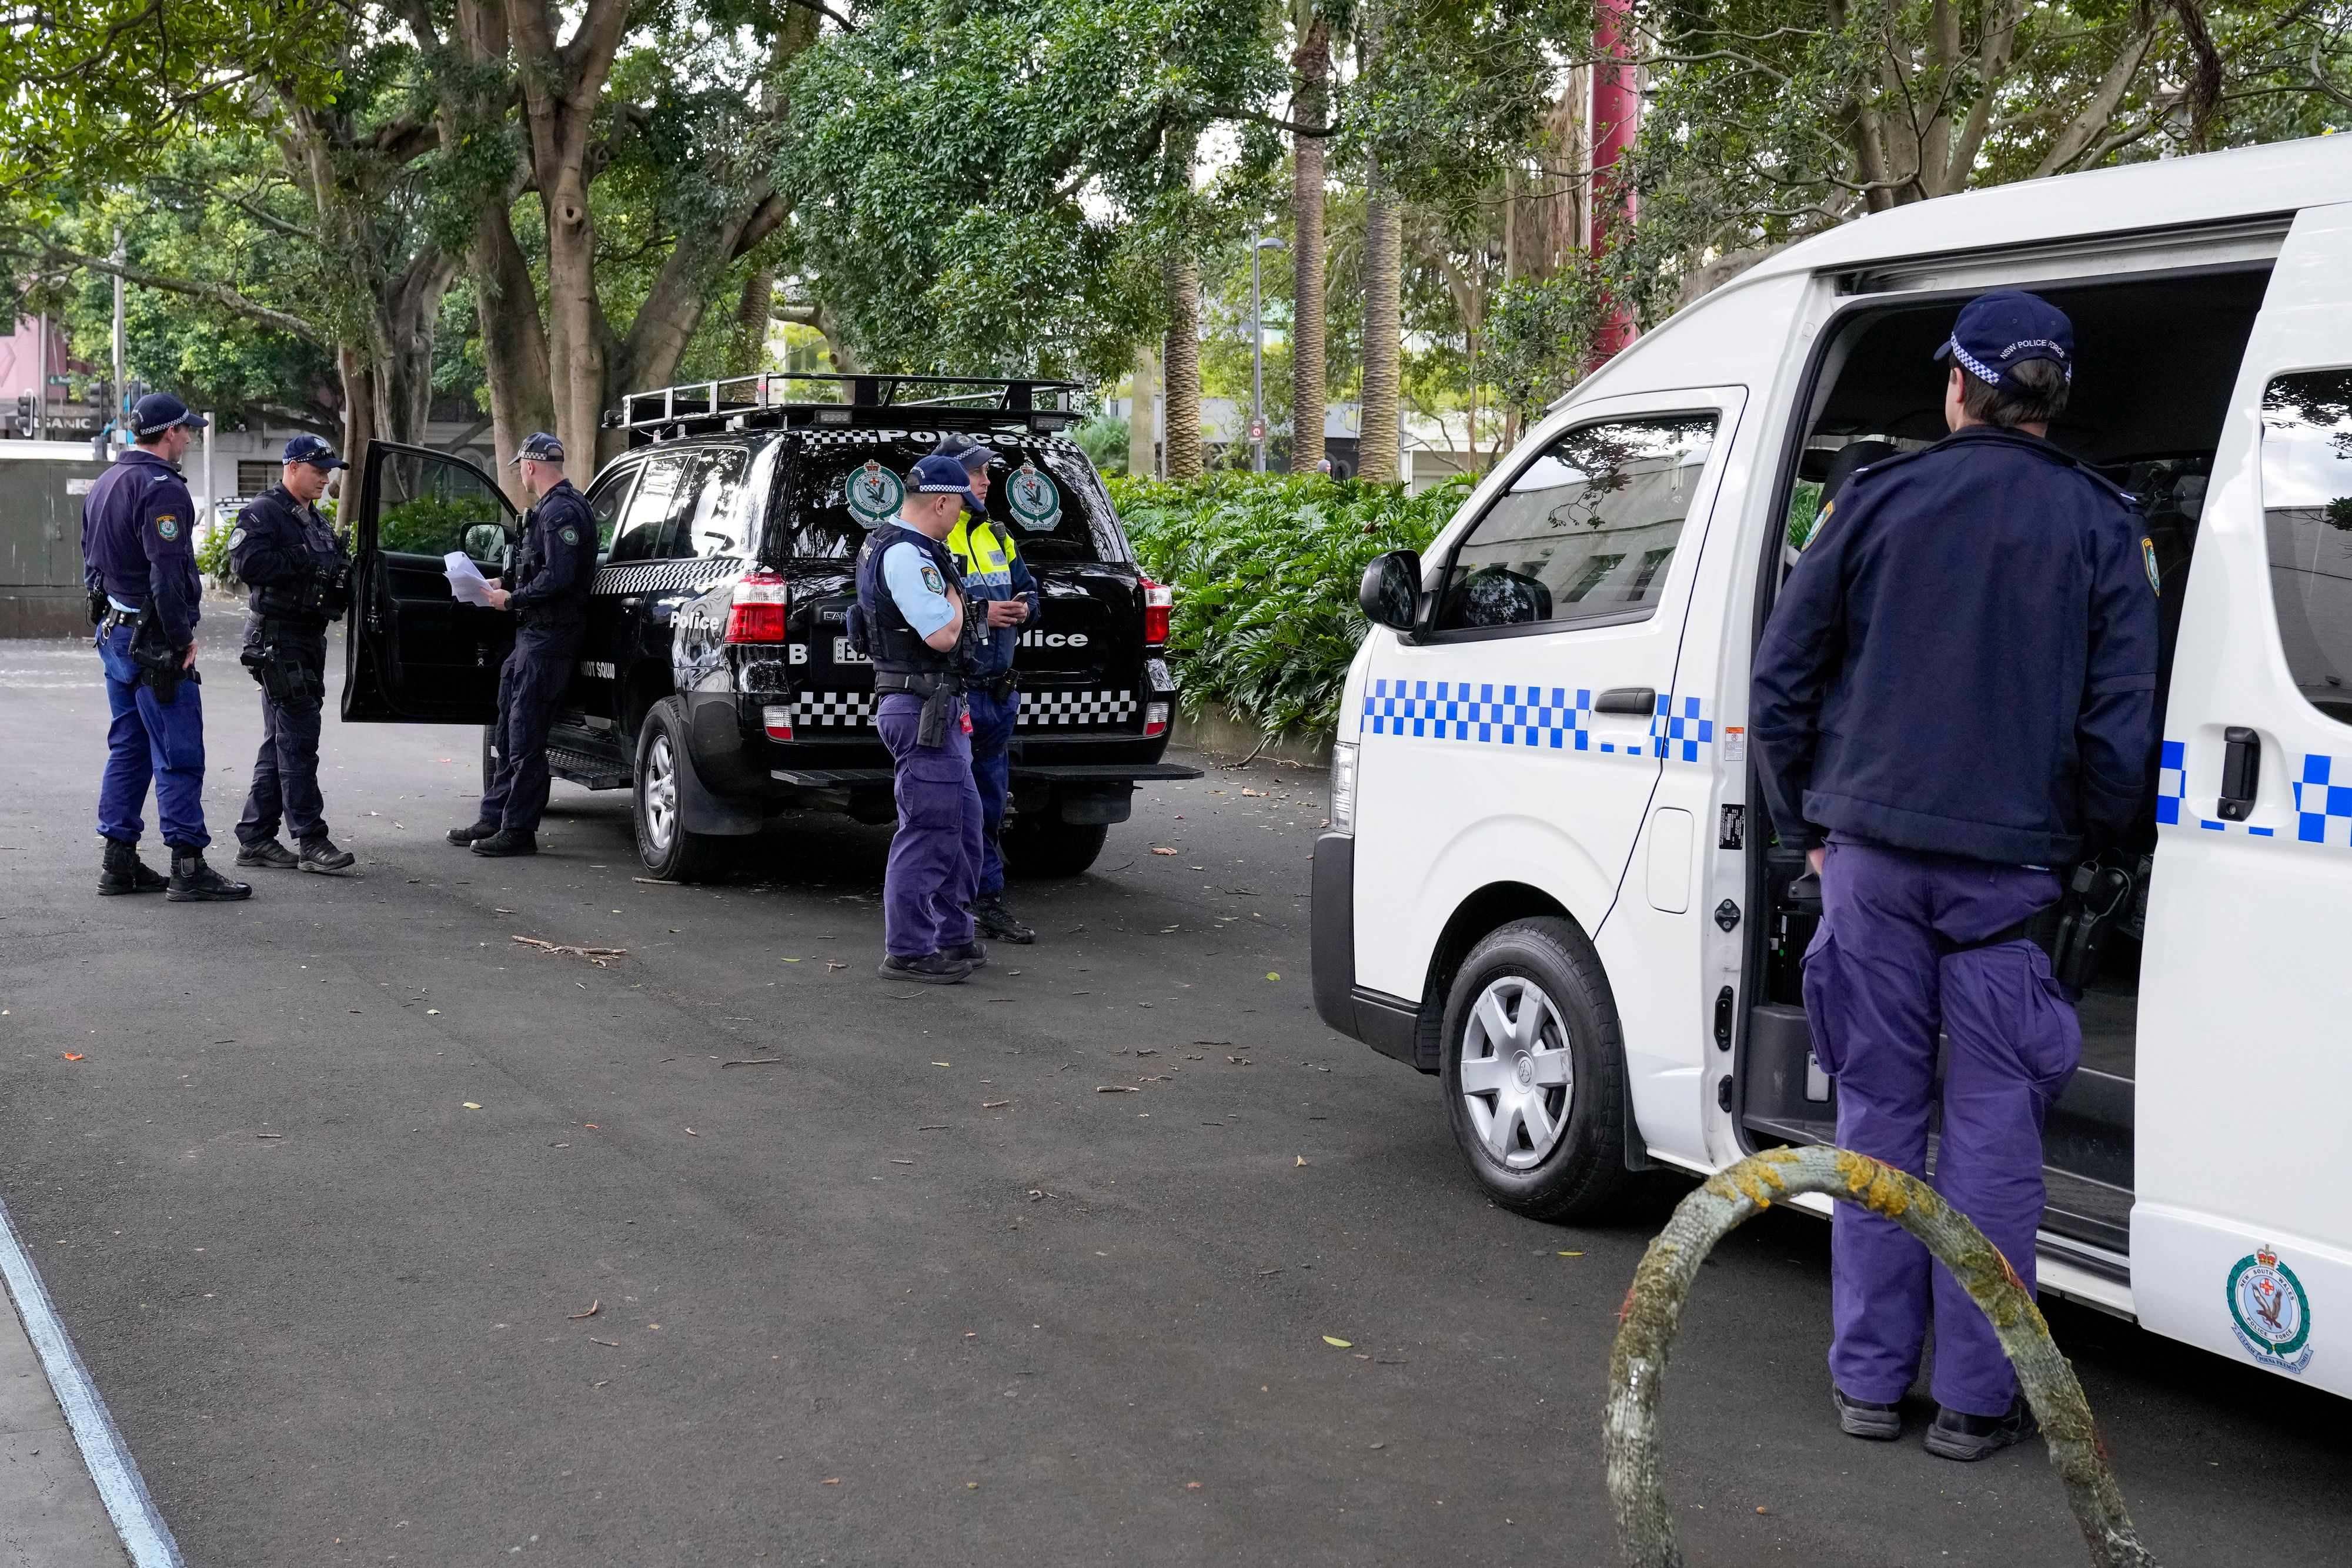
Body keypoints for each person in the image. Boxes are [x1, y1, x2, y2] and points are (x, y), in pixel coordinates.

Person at [1751, 290, 2158, 1461]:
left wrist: (1810, 833)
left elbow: (1780, 684)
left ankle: (1869, 1385)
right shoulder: (2098, 525)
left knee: (1876, 1115)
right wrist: (2082, 849)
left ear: (1955, 386)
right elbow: (2116, 729)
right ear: (2051, 398)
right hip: (2012, 878)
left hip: (1868, 864)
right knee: (1990, 1133)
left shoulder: (1874, 503)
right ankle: (1975, 1404)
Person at [81, 394, 250, 902]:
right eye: (187, 431)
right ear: (169, 433)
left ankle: (119, 860)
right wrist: (182, 639)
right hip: (153, 642)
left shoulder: (106, 482)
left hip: (116, 631)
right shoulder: (161, 488)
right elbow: (168, 575)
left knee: (129, 747)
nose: (192, 439)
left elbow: (91, 562)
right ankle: (188, 863)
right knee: (178, 752)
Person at [856, 453, 987, 983]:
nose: (962, 517)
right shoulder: (908, 555)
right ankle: (908, 949)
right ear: (940, 501)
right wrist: (957, 595)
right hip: (920, 705)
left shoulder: (905, 545)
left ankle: (952, 936)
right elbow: (943, 635)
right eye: (960, 507)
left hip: (937, 705)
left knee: (965, 825)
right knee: (930, 829)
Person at [446, 432, 596, 858]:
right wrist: (500, 583)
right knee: (510, 733)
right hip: (533, 636)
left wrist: (512, 599)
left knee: (526, 737)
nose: (521, 476)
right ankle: (494, 817)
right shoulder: (552, 508)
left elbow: (560, 578)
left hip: (549, 638)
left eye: (520, 469)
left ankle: (518, 830)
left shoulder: (561, 511)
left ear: (530, 467)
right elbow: (541, 570)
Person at [229, 434, 356, 874]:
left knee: (280, 740)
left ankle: (257, 837)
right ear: (292, 467)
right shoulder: (266, 512)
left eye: (328, 470)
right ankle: (311, 839)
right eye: (318, 469)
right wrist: (302, 558)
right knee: (298, 739)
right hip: (278, 639)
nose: (326, 477)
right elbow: (245, 564)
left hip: (306, 637)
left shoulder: (313, 519)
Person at [935, 434, 1038, 944]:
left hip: (997, 695)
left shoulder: (997, 533)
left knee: (990, 806)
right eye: (978, 472)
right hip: (956, 694)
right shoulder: (933, 535)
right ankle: (949, 912)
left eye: (987, 472)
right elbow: (919, 612)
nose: (987, 480)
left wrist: (1023, 607)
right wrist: (983, 613)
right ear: (952, 479)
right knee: (955, 807)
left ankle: (985, 901)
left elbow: (1028, 586)